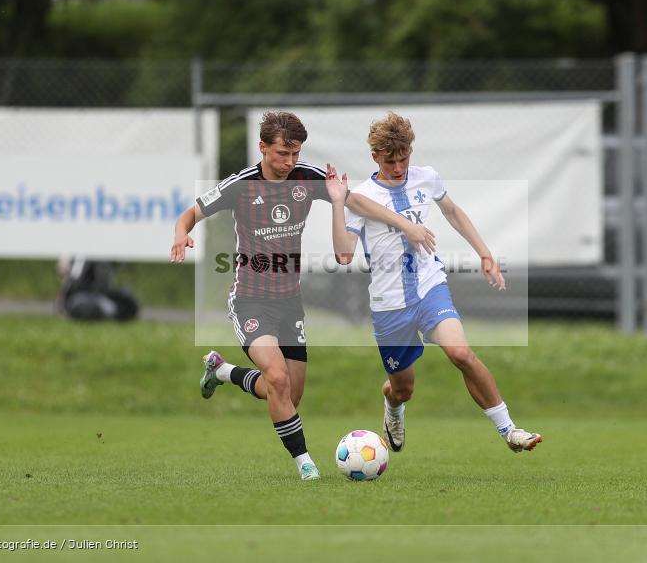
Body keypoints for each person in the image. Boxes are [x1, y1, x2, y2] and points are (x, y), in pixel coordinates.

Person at [170, 111, 435, 481]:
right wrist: (181, 234)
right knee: (276, 378)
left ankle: (223, 371)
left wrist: (402, 222)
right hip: (250, 300)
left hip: (289, 302)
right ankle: (305, 464)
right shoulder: (241, 185)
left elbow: (358, 203)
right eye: (281, 154)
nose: (289, 162)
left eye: (295, 154)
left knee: (287, 396)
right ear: (262, 147)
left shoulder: (306, 177)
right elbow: (188, 215)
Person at [330, 111, 542, 455]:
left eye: (404, 158)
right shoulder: (361, 197)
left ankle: (509, 430)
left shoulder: (426, 178)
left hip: (430, 287)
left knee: (460, 353)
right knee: (403, 389)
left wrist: (484, 253)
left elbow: (453, 212)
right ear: (374, 157)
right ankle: (393, 408)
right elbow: (342, 254)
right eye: (390, 161)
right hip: (389, 304)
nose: (398, 167)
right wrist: (338, 205)